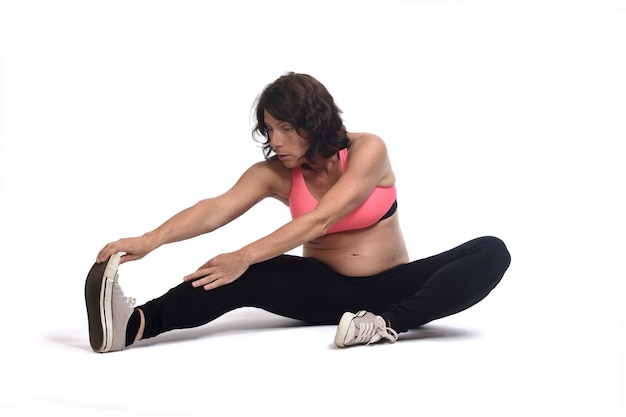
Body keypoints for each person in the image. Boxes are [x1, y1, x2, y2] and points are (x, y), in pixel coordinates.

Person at [84, 72, 511, 353]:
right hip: (323, 292)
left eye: (287, 128)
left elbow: (321, 219)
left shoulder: (368, 150)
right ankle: (133, 326)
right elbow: (215, 209)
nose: (277, 139)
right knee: (240, 273)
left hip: (393, 287)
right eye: (270, 129)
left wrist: (245, 253)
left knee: (491, 250)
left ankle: (384, 325)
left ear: (317, 121)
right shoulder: (277, 173)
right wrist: (148, 241)